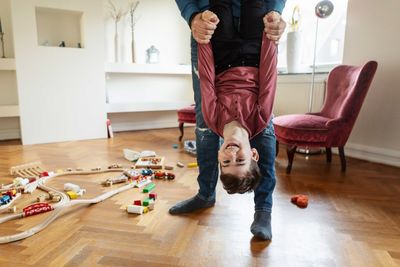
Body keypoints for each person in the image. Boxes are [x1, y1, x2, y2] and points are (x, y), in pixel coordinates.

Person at [170, 0, 286, 241]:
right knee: (263, 133)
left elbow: (207, 80)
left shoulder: (214, 118)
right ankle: (205, 194)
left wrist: (204, 41)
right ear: (251, 154)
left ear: (220, 157)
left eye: (227, 161)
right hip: (256, 51)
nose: (233, 154)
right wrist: (270, 42)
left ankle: (263, 210)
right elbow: (268, 79)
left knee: (206, 129)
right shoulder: (260, 117)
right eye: (240, 159)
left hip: (218, 52)